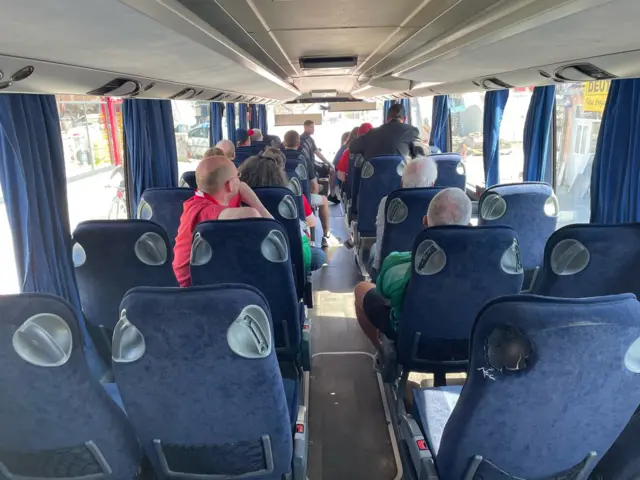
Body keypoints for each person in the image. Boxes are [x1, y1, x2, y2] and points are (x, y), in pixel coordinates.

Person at [354, 187, 472, 348]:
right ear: (469, 226)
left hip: (414, 343)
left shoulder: (397, 263)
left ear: (424, 222)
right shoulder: (482, 269)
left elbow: (383, 291)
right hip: (468, 342)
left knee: (361, 289)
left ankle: (383, 352)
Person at [173, 155, 272, 287]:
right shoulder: (203, 211)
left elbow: (239, 187)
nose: (240, 179)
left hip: (199, 280)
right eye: (238, 176)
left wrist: (240, 186)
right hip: (191, 289)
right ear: (230, 185)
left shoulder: (200, 199)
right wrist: (260, 208)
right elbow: (256, 216)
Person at [238, 148, 326, 271]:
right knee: (318, 256)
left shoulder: (237, 197)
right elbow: (311, 222)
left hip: (247, 254)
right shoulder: (288, 196)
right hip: (288, 254)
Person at [370, 156, 438, 274]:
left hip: (391, 270)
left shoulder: (388, 202)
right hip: (430, 269)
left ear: (402, 181)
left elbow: (382, 239)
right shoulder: (440, 203)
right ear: (432, 183)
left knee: (374, 248)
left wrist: (378, 269)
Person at [283, 130, 335, 248]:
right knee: (324, 200)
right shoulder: (304, 159)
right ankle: (326, 235)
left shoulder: (276, 158)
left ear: (284, 142)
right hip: (303, 199)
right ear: (298, 143)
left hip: (280, 200)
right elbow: (314, 187)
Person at [350, 103, 424, 160]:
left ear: (387, 119)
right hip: (401, 178)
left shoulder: (371, 133)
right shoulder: (412, 131)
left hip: (374, 179)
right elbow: (421, 154)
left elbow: (352, 146)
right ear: (404, 119)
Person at [300, 120, 340, 205]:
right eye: (311, 127)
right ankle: (332, 195)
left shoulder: (304, 139)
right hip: (311, 165)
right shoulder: (308, 140)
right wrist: (329, 163)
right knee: (332, 170)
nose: (313, 129)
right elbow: (318, 154)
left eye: (314, 127)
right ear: (305, 127)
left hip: (309, 163)